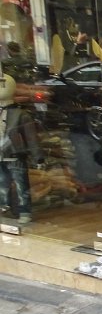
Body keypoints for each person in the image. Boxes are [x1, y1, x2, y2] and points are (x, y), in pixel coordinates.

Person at [0, 74, 42, 223]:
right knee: (2, 183)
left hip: (16, 154)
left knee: (20, 184)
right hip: (2, 155)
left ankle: (24, 211)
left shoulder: (21, 114)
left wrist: (38, 156)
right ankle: (4, 207)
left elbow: (31, 137)